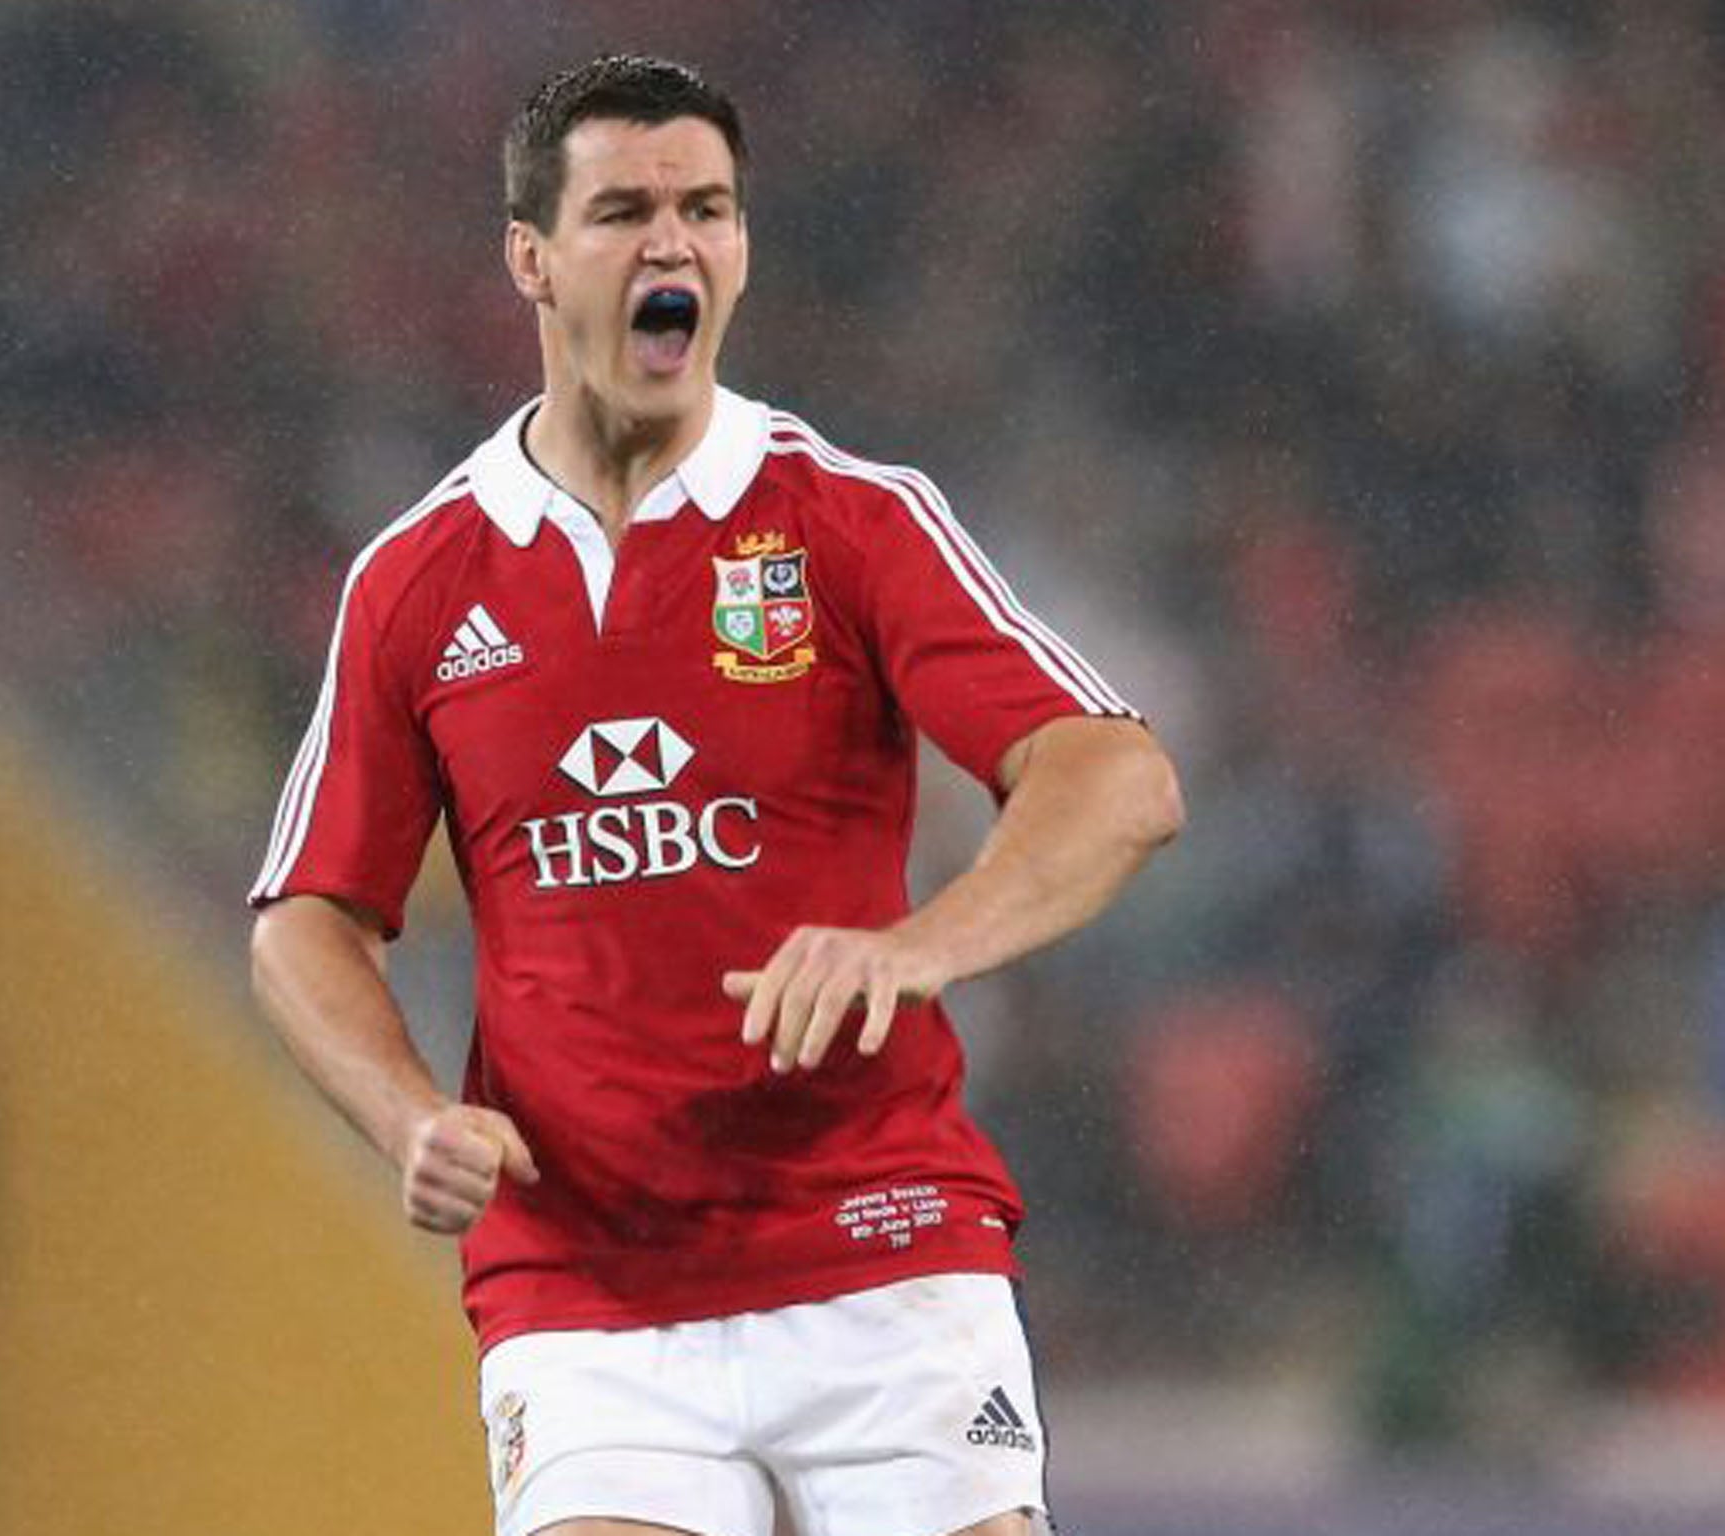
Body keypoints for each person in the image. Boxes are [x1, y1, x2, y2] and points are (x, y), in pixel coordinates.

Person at [249, 54, 1183, 1536]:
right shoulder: (419, 584)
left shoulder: (854, 522)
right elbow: (308, 917)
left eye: (709, 209)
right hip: (588, 1285)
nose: (673, 243)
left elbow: (1115, 774)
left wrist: (918, 946)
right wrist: (407, 1115)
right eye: (624, 210)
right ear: (532, 260)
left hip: (878, 1246)